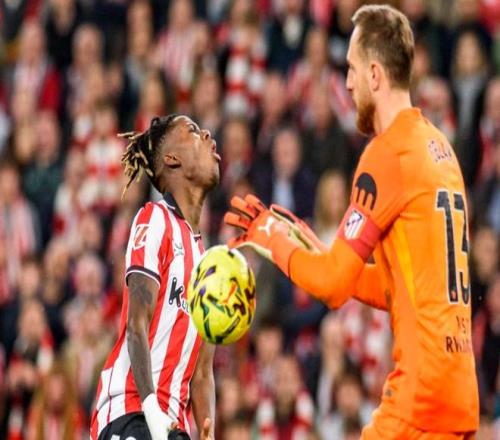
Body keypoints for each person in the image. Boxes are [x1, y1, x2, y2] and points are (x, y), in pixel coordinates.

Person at [225, 4, 479, 438]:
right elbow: (402, 287)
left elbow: (332, 287)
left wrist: (271, 238)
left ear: (375, 75)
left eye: (351, 69)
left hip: (418, 400)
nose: (347, 83)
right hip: (458, 396)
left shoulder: (386, 154)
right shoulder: (441, 149)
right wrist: (327, 256)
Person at [91, 114, 220, 440]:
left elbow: (202, 372)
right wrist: (151, 410)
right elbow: (136, 325)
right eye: (192, 130)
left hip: (175, 427)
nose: (207, 134)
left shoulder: (207, 263)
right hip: (131, 411)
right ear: (171, 158)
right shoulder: (154, 219)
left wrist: (208, 431)